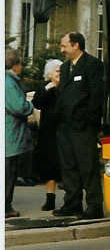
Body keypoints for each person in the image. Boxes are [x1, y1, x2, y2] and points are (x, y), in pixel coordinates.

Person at [53, 32, 105, 219]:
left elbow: (97, 95)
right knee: (69, 166)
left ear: (76, 45)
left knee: (87, 165)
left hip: (83, 126)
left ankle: (94, 205)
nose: (62, 50)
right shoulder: (65, 68)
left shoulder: (92, 65)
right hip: (65, 126)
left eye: (64, 46)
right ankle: (72, 202)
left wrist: (89, 120)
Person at [5, 48, 34, 218]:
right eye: (20, 63)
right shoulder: (9, 82)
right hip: (11, 135)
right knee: (9, 173)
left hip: (9, 134)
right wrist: (30, 106)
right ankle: (6, 207)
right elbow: (18, 107)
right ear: (15, 65)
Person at [32, 59, 63, 211]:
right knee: (49, 166)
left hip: (64, 132)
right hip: (48, 134)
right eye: (57, 71)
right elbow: (37, 103)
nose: (60, 74)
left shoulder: (67, 87)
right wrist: (50, 87)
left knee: (66, 165)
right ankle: (50, 199)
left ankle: (71, 199)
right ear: (49, 74)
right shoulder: (44, 88)